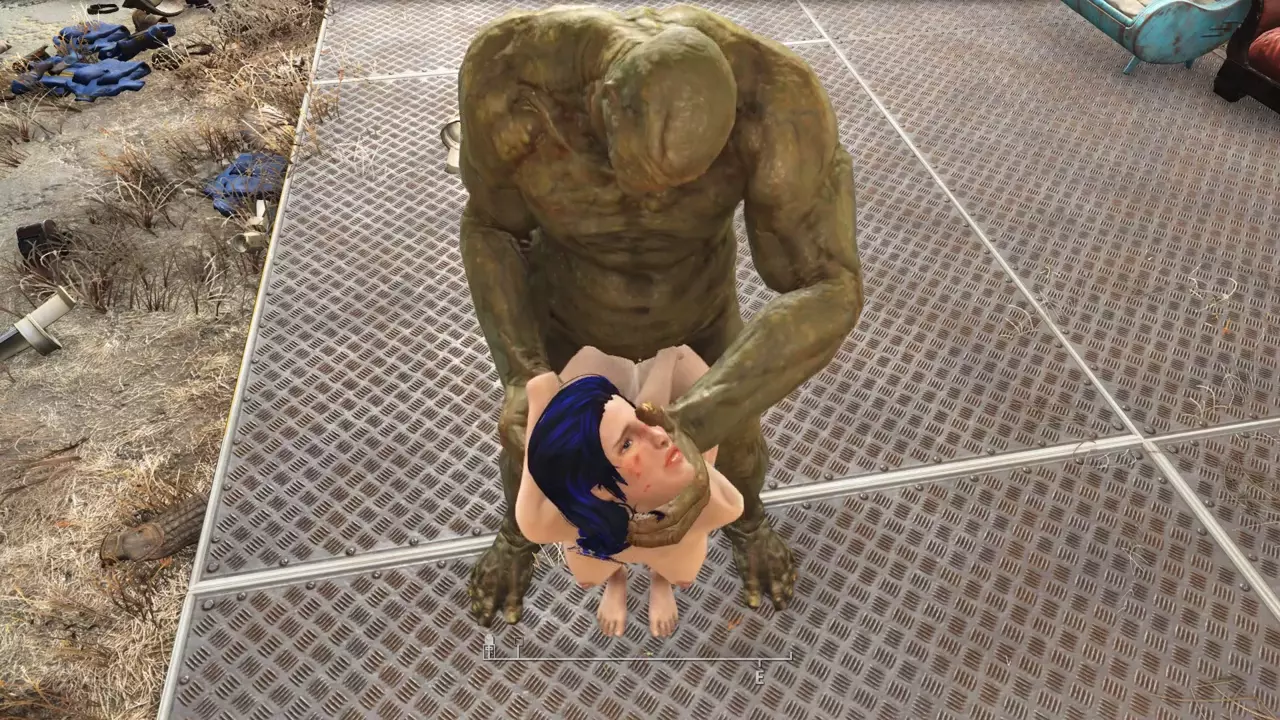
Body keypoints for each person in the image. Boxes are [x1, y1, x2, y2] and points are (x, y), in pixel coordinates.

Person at [461, 5, 864, 626]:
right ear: (606, 101)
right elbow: (490, 226)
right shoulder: (509, 77)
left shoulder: (776, 100)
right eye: (643, 175)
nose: (654, 202)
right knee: (532, 442)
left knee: (738, 446)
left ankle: (749, 523)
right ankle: (518, 539)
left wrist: (698, 419)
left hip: (697, 312)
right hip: (566, 307)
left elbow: (832, 285)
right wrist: (522, 370)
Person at [518, 345, 744, 637]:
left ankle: (659, 579)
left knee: (677, 570)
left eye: (647, 423)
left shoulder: (700, 489)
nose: (661, 435)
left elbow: (541, 391)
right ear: (597, 489)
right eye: (627, 444)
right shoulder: (710, 498)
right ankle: (617, 577)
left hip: (662, 542)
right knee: (597, 570)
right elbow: (540, 395)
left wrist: (666, 361)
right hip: (605, 539)